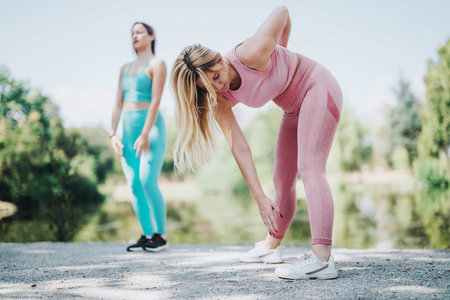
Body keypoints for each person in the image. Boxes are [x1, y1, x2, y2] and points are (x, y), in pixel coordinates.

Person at [171, 6, 343, 279]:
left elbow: (283, 12)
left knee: (310, 167)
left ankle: (322, 258)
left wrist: (280, 51)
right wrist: (260, 198)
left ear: (218, 58)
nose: (217, 87)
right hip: (293, 108)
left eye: (216, 76)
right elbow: (239, 146)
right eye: (207, 87)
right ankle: (271, 246)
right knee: (281, 180)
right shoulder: (219, 99)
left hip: (317, 87)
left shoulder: (252, 52)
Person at [110, 22, 168, 252]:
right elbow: (117, 103)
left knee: (147, 180)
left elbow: (156, 101)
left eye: (140, 32)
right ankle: (147, 234)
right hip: (127, 129)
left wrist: (145, 133)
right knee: (134, 184)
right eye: (132, 33)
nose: (135, 36)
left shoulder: (157, 63)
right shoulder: (124, 68)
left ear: (151, 36)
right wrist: (113, 134)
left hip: (151, 129)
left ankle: (160, 235)